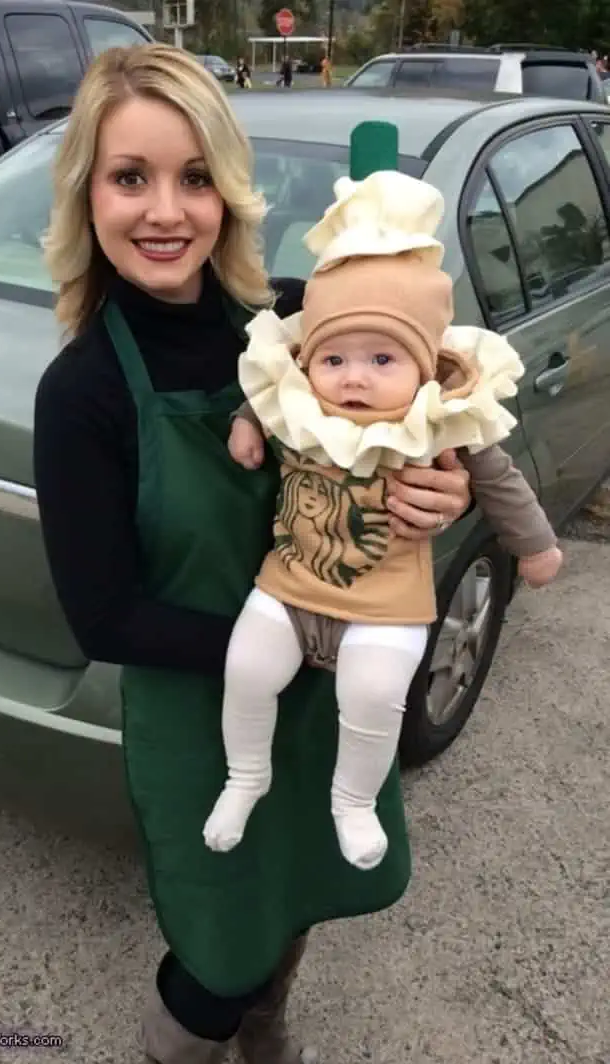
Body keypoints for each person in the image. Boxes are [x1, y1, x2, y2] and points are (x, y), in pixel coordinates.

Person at [33, 43, 471, 1064]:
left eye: (194, 177)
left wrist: (432, 491)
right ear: (87, 194)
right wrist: (305, 638)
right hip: (206, 717)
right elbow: (104, 617)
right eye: (130, 176)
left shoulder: (291, 329)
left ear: (228, 192)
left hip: (320, 697)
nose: (165, 210)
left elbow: (401, 434)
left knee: (299, 895)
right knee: (215, 955)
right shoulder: (86, 392)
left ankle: (269, 1035)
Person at [202, 170, 563, 868]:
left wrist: (537, 549)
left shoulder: (439, 423)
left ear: (425, 365)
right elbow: (268, 401)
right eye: (334, 358)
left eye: (381, 359)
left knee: (373, 698)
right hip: (290, 585)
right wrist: (246, 423)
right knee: (246, 670)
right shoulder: (300, 404)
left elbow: (501, 482)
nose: (354, 377)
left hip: (386, 605)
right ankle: (245, 777)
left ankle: (355, 801)